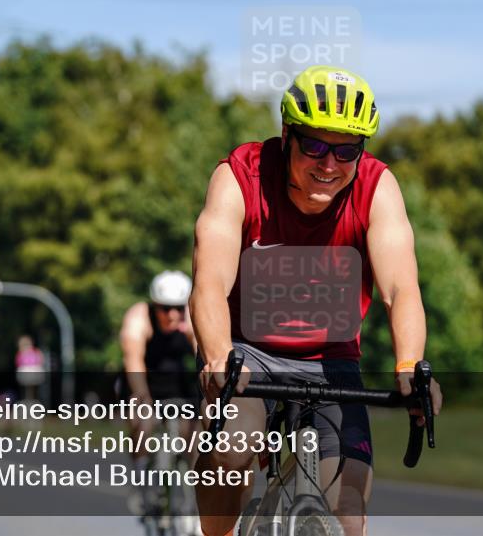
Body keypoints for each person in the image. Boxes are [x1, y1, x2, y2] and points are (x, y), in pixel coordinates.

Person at [190, 65, 443, 536]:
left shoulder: (377, 186)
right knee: (230, 449)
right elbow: (209, 283)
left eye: (346, 150)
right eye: (315, 146)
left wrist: (411, 366)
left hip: (332, 360)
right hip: (247, 352)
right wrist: (219, 356)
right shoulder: (239, 175)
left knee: (348, 512)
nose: (329, 165)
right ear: (287, 135)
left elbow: (401, 288)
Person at [119, 270, 200, 516]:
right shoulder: (138, 316)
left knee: (194, 431)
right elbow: (133, 360)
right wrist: (143, 398)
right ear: (155, 305)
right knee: (141, 420)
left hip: (176, 382)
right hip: (143, 379)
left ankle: (191, 484)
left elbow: (203, 355)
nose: (172, 315)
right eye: (165, 309)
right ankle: (141, 475)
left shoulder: (192, 318)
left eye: (178, 308)